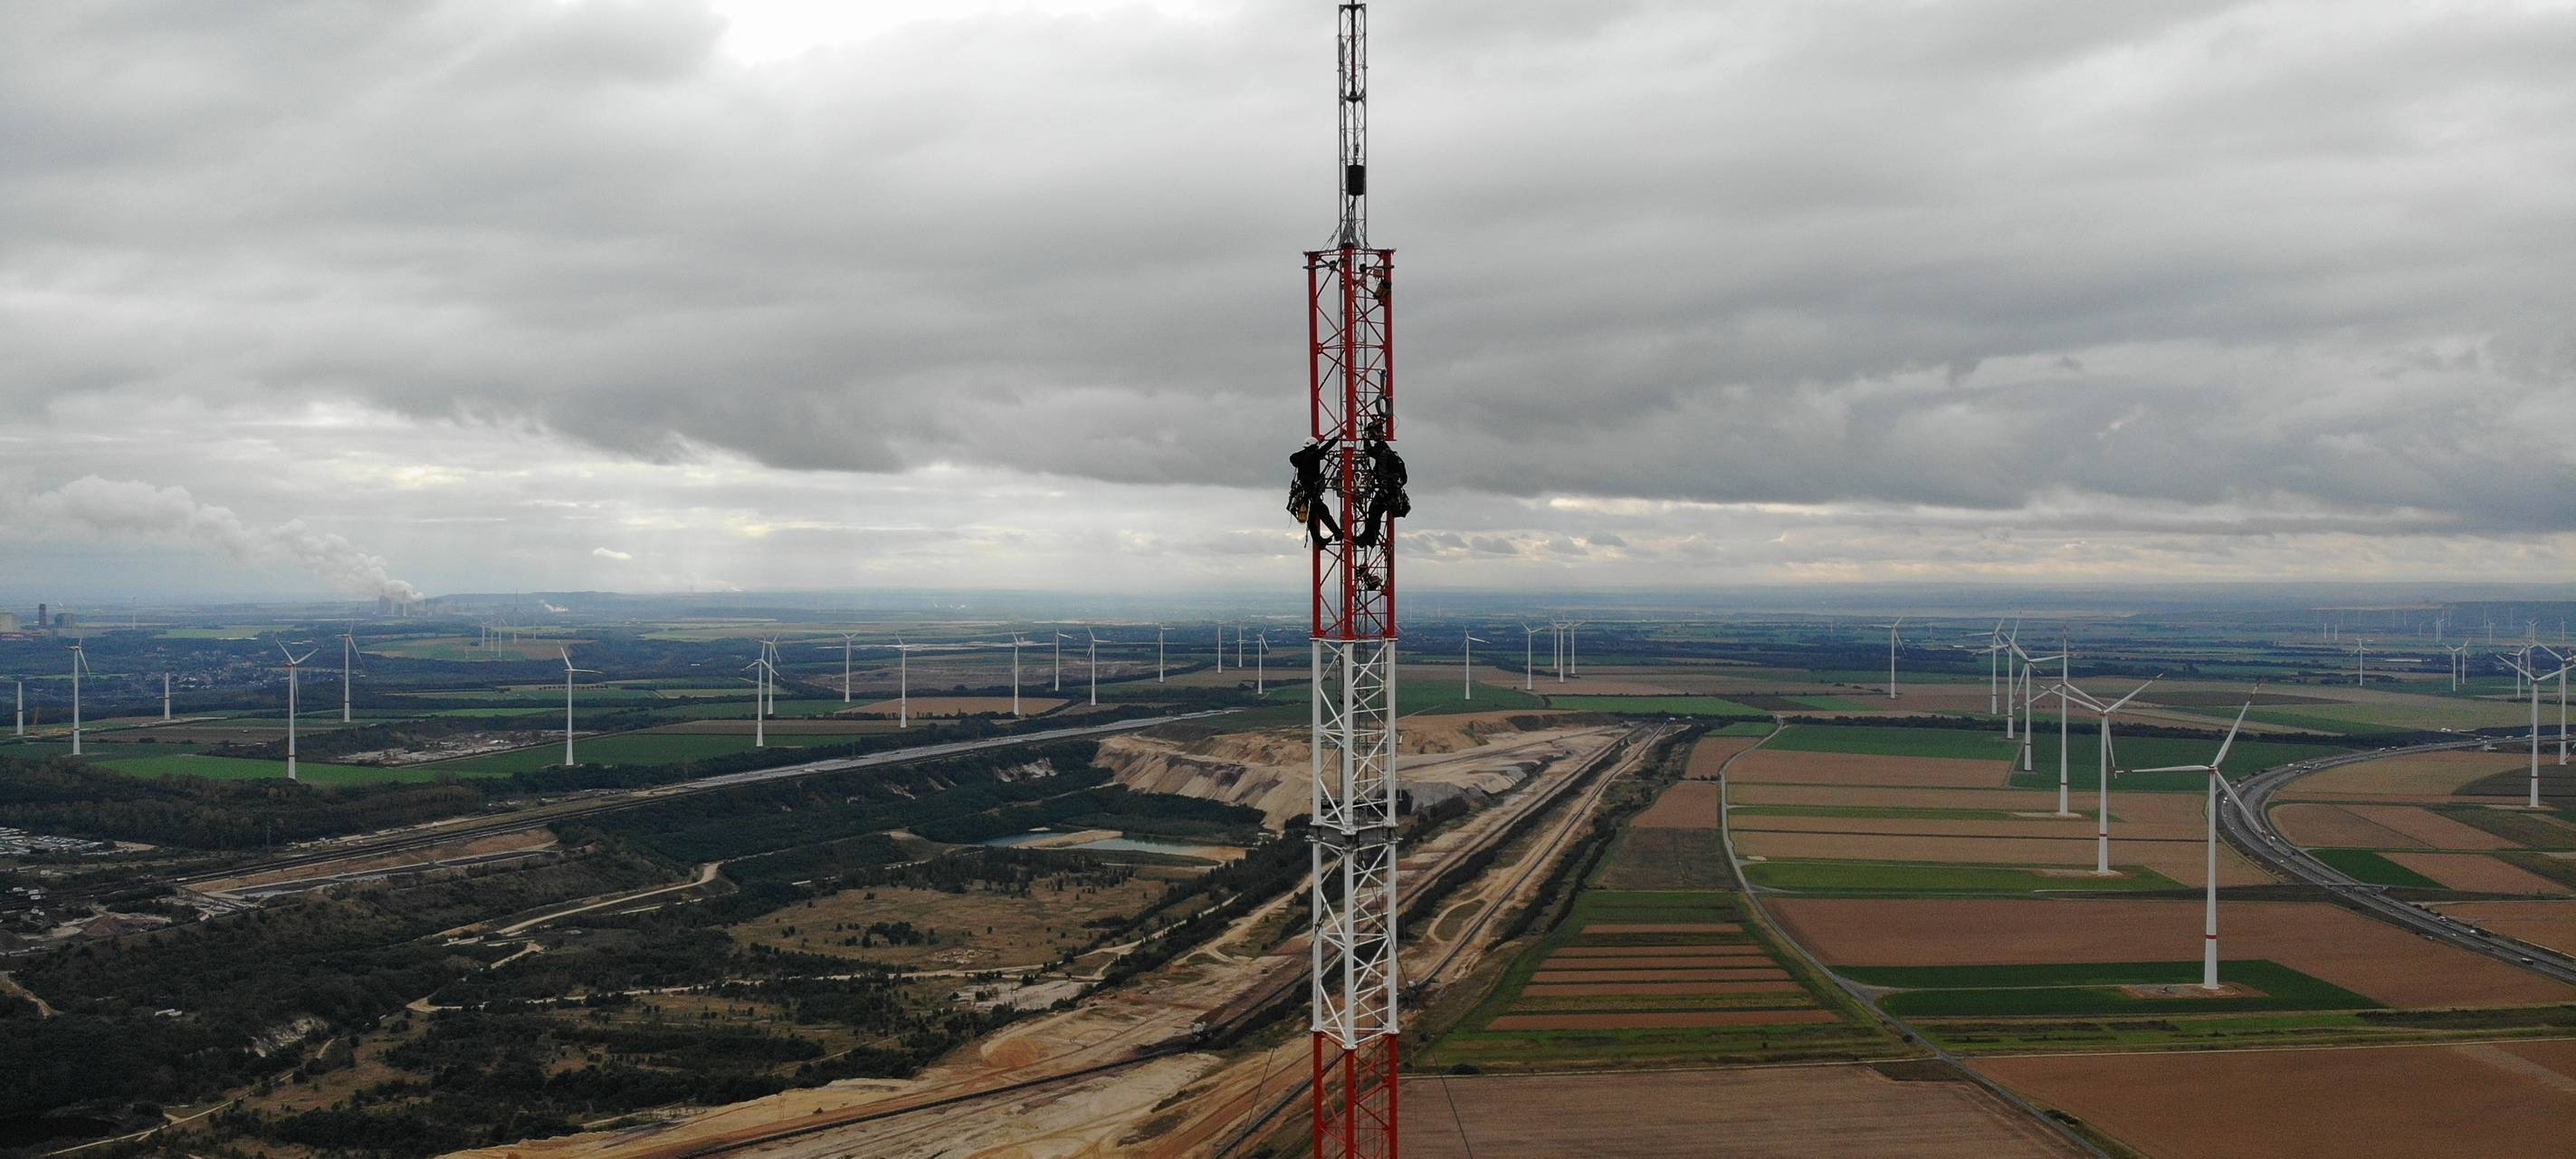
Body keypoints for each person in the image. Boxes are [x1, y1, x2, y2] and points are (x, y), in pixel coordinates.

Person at [1287, 438, 1342, 546]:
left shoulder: (1299, 457)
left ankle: (1320, 540)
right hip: (1312, 492)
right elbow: (1325, 449)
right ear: (1314, 447)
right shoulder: (1314, 456)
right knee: (1323, 513)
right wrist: (1336, 438)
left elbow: (1293, 457)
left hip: (1303, 492)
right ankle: (1337, 533)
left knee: (1311, 519)